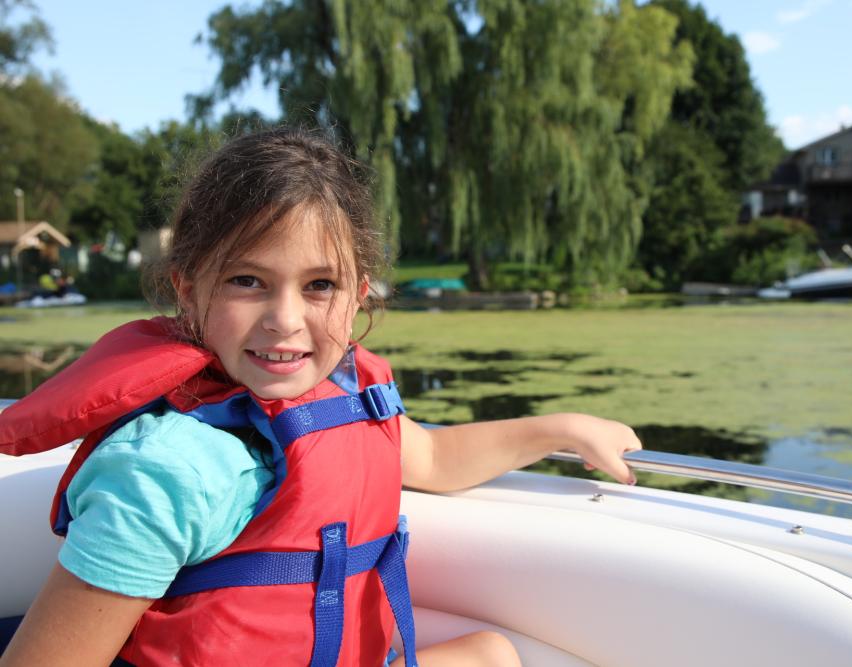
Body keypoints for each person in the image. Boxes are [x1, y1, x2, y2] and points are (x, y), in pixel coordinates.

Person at [0, 128, 641, 667]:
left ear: (359, 295)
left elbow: (436, 459)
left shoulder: (347, 394)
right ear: (187, 289)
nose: (285, 320)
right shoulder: (166, 474)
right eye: (247, 281)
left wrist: (561, 427)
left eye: (319, 285)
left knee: (491, 656)